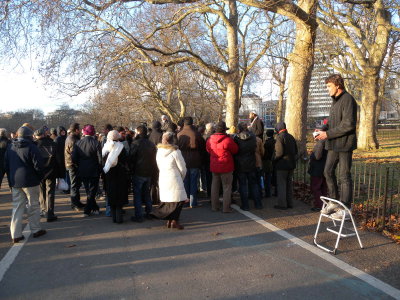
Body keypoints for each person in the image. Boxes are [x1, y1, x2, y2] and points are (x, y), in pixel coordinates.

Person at [316, 74, 358, 219]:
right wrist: (323, 129)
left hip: (345, 144)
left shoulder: (348, 99)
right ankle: (334, 201)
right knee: (327, 171)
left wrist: (327, 134)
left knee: (344, 176)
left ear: (338, 85)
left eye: (329, 86)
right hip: (334, 144)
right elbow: (333, 122)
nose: (327, 89)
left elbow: (348, 125)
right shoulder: (335, 101)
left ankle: (346, 207)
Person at [4, 126, 46, 243]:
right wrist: (39, 177)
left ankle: (15, 234)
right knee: (33, 206)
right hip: (30, 181)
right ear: (29, 136)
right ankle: (36, 229)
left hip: (15, 181)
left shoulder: (10, 147)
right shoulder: (32, 147)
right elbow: (38, 165)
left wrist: (10, 180)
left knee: (17, 208)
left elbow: (6, 165)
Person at [151, 132, 188, 229]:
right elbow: (182, 168)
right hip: (174, 177)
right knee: (178, 201)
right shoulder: (176, 152)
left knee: (168, 201)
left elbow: (158, 165)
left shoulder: (159, 151)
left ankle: (169, 221)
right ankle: (174, 221)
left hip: (163, 176)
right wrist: (181, 177)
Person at [206, 121, 238, 212]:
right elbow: (235, 150)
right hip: (226, 166)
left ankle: (214, 206)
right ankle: (226, 207)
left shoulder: (210, 139)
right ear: (224, 130)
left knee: (214, 186)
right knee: (227, 187)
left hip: (214, 165)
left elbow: (208, 150)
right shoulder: (228, 140)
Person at [72, 124, 102, 217]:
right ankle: (89, 209)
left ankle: (92, 208)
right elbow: (100, 158)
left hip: (83, 169)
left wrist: (79, 165)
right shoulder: (96, 143)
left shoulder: (78, 143)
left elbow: (74, 158)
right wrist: (100, 169)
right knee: (92, 190)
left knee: (88, 190)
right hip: (94, 169)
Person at [129, 125, 157, 222]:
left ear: (139, 132)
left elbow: (131, 158)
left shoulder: (135, 143)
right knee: (146, 193)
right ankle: (149, 212)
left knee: (137, 194)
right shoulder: (151, 144)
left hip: (138, 172)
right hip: (148, 172)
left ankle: (139, 215)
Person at [177, 117, 206, 208]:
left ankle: (185, 201)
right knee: (193, 182)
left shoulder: (179, 134)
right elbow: (202, 148)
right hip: (195, 160)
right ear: (192, 123)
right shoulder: (196, 134)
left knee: (185, 182)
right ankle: (193, 202)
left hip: (183, 160)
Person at [102, 130, 129, 223]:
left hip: (109, 173)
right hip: (120, 174)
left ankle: (114, 218)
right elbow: (125, 159)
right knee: (119, 196)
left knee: (111, 195)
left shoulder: (105, 147)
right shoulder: (121, 147)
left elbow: (102, 160)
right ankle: (119, 218)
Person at [234, 122, 262, 210]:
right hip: (251, 163)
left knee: (243, 185)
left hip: (240, 164)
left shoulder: (236, 138)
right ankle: (258, 204)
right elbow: (254, 148)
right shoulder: (253, 137)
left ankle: (245, 205)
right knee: (254, 184)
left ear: (239, 129)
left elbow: (235, 151)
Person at [35, 128, 59, 222]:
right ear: (45, 134)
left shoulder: (35, 145)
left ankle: (43, 210)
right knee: (50, 193)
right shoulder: (53, 143)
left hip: (40, 171)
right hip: (51, 171)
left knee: (41, 191)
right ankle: (50, 213)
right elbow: (58, 159)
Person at [273, 122, 298, 210]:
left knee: (281, 185)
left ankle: (282, 204)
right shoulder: (291, 137)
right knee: (289, 185)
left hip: (282, 164)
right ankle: (289, 203)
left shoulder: (279, 138)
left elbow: (279, 153)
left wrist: (274, 159)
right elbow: (296, 151)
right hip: (291, 164)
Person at [65, 123, 85, 211]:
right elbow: (74, 155)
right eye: (79, 129)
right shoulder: (73, 139)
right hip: (72, 165)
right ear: (76, 130)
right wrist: (77, 164)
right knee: (74, 185)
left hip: (71, 164)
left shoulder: (70, 137)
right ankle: (74, 204)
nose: (80, 131)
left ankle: (77, 202)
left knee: (76, 185)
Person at [309, 124, 328, 212]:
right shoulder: (328, 141)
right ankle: (325, 204)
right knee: (324, 187)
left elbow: (317, 156)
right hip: (325, 167)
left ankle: (319, 205)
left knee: (316, 187)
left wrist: (311, 155)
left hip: (318, 168)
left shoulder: (321, 142)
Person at [54, 126, 68, 193]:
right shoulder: (57, 139)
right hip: (60, 159)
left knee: (64, 174)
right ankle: (63, 188)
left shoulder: (65, 138)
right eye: (62, 131)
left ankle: (65, 187)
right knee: (61, 175)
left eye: (64, 131)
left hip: (65, 158)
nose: (63, 132)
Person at [262, 129, 275, 198]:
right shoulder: (275, 141)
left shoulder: (267, 143)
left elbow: (264, 153)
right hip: (273, 160)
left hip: (266, 161)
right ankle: (272, 191)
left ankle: (267, 193)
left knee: (267, 177)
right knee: (270, 176)